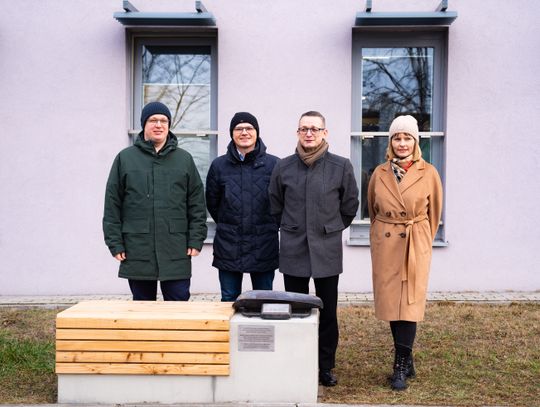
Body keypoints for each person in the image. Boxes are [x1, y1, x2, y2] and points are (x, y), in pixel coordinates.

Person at [269, 111, 359, 387]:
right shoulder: (283, 167)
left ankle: (325, 366)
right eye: (304, 129)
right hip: (293, 247)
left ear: (324, 133)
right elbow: (275, 204)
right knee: (295, 311)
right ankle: (297, 364)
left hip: (326, 248)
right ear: (298, 132)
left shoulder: (340, 166)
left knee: (327, 312)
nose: (309, 133)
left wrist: (331, 228)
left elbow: (350, 205)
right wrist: (291, 227)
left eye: (314, 129)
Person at [103, 101, 207, 301]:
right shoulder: (125, 159)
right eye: (153, 120)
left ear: (169, 125)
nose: (158, 125)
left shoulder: (184, 159)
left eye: (163, 121)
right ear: (144, 124)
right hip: (137, 247)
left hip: (176, 247)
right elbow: (112, 205)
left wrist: (196, 239)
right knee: (142, 308)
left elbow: (196, 204)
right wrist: (115, 243)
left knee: (178, 306)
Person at [367, 115, 443, 391]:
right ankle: (407, 359)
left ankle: (399, 364)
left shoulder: (429, 172)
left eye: (407, 138)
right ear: (390, 142)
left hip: (414, 243)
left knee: (409, 304)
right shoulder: (379, 172)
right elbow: (372, 209)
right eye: (397, 138)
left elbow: (434, 215)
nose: (402, 143)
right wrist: (379, 237)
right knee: (392, 303)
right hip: (386, 244)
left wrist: (421, 242)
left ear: (415, 142)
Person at [206, 112, 279, 301]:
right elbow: (213, 203)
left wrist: (271, 224)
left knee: (264, 300)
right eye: (239, 129)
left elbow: (281, 203)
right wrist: (230, 224)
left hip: (264, 244)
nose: (244, 132)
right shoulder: (219, 165)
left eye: (249, 128)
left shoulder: (274, 165)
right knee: (229, 299)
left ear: (257, 132)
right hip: (229, 244)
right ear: (232, 133)